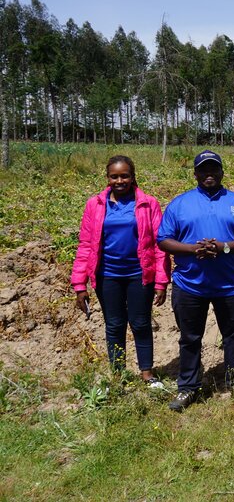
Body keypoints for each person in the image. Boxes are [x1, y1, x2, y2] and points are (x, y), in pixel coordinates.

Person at [158, 150, 234, 411]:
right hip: (190, 284)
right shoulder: (180, 204)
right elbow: (163, 239)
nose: (209, 174)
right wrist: (193, 249)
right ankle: (188, 387)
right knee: (190, 337)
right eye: (204, 170)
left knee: (233, 336)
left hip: (230, 285)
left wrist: (224, 247)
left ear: (222, 172)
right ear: (195, 174)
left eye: (214, 169)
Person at [71, 155, 170, 387]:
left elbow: (159, 244)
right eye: (114, 176)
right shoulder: (94, 205)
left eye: (124, 175)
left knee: (140, 323)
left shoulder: (148, 204)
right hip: (107, 276)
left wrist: (161, 281)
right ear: (107, 178)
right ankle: (118, 375)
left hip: (139, 274)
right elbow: (86, 245)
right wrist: (79, 285)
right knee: (114, 324)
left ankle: (147, 373)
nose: (119, 180)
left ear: (133, 176)